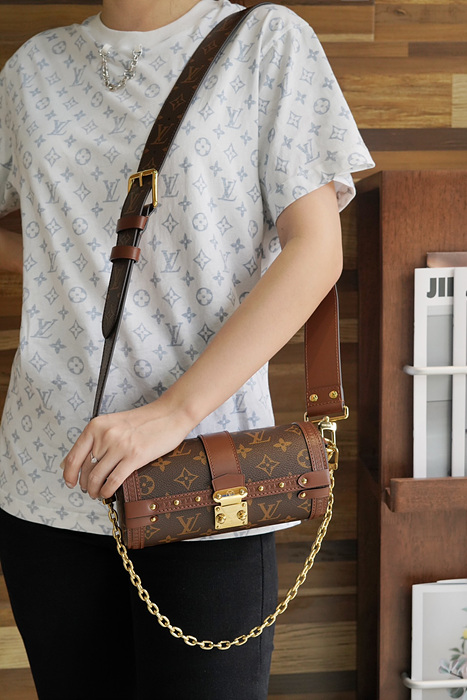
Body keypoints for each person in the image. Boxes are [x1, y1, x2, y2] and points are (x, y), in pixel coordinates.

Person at [0, 0, 374, 697]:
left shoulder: (265, 42)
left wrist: (172, 412)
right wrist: (57, 262)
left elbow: (317, 250)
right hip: (48, 478)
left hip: (208, 477)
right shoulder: (31, 70)